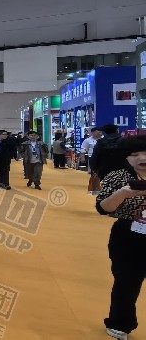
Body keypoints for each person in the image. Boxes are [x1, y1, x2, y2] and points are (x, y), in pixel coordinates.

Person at [95, 135, 146, 340]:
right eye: (135, 154)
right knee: (127, 282)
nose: (142, 158)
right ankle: (120, 322)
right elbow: (102, 208)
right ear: (126, 157)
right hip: (128, 235)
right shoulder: (117, 177)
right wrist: (123, 193)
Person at [84, 127, 104, 194]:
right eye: (98, 131)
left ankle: (103, 186)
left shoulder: (104, 139)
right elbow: (84, 149)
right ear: (93, 132)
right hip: (92, 157)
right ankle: (94, 189)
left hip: (103, 157)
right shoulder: (88, 140)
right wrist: (83, 158)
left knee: (103, 171)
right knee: (94, 172)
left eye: (101, 131)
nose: (100, 133)